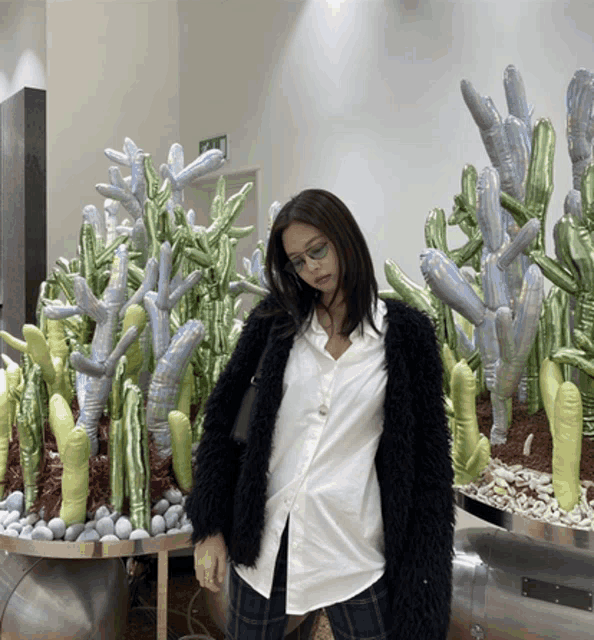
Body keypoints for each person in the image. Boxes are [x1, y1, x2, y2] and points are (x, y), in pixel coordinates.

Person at [185, 188, 455, 640]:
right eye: (297, 260)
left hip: (353, 547)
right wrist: (209, 525)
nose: (311, 268)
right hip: (267, 540)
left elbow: (429, 467)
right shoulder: (274, 326)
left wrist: (424, 578)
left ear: (344, 237)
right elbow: (225, 427)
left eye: (318, 250)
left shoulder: (405, 337)